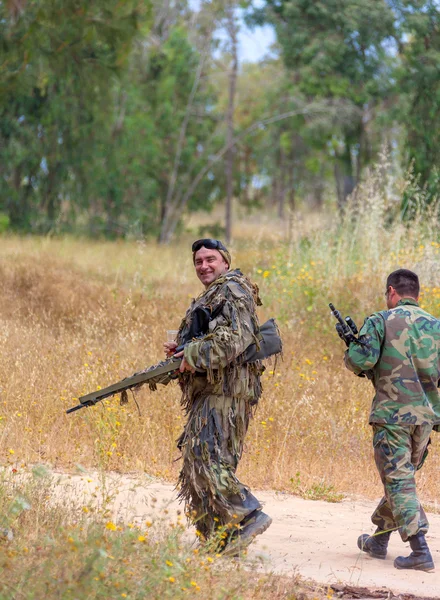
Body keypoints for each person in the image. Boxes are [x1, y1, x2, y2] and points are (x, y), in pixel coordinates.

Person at [163, 238, 272, 551]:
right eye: (198, 261)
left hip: (226, 392)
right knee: (197, 466)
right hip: (211, 390)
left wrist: (193, 354)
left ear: (225, 261)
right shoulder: (213, 294)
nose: (203, 266)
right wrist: (184, 350)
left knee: (207, 459)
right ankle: (220, 538)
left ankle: (247, 514)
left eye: (210, 259)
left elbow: (233, 340)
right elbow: (211, 337)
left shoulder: (232, 288)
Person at [341, 269, 440, 572]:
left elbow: (360, 361)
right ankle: (379, 541)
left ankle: (420, 549)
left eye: (388, 295)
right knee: (400, 479)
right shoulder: (436, 326)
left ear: (392, 292)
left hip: (392, 417)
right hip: (424, 420)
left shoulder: (381, 321)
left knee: (398, 481)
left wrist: (351, 347)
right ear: (417, 294)